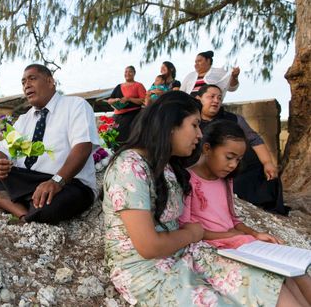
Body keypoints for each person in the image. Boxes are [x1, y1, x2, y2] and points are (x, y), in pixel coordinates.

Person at [103, 92, 291, 306]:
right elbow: (149, 247)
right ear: (171, 125)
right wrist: (192, 233)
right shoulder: (130, 166)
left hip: (183, 253)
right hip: (147, 270)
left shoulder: (167, 166)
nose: (200, 134)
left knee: (267, 281)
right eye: (194, 125)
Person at [180, 120, 311, 306]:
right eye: (229, 157)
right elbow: (187, 228)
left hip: (241, 244)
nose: (233, 165)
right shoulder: (188, 181)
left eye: (239, 160)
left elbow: (232, 219)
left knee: (295, 272)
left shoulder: (225, 180)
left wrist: (255, 234)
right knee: (276, 283)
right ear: (207, 148)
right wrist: (231, 235)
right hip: (218, 249)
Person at [0, 64, 99, 224]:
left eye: (32, 78)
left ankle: (17, 203)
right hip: (30, 181)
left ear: (50, 81)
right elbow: (1, 150)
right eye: (23, 82)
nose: (27, 85)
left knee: (50, 206)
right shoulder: (24, 119)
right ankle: (24, 215)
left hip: (70, 183)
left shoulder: (76, 106)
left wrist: (56, 181)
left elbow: (83, 148)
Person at [194, 84, 289, 215]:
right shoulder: (193, 120)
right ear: (199, 99)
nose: (216, 100)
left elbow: (254, 140)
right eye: (211, 97)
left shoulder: (234, 119)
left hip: (239, 168)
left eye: (219, 98)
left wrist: (267, 163)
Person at [106, 66, 146, 145]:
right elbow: (109, 100)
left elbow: (143, 100)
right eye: (126, 71)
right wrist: (115, 100)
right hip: (117, 116)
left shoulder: (138, 85)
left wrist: (129, 99)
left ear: (134, 73)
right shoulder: (119, 86)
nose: (127, 73)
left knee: (124, 138)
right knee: (110, 137)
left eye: (130, 71)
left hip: (132, 115)